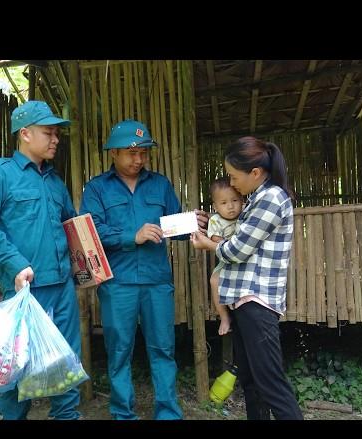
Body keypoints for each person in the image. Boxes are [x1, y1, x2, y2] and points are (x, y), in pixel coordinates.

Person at [80, 119, 209, 420]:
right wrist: (131, 237)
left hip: (156, 281)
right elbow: (91, 231)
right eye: (130, 153)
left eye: (144, 153)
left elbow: (172, 228)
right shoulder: (97, 189)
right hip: (118, 283)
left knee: (163, 349)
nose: (138, 159)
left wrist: (193, 223)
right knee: (119, 351)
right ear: (113, 152)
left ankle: (167, 413)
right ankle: (123, 413)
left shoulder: (160, 184)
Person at [0, 100, 82, 420]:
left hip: (63, 287)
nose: (55, 139)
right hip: (25, 290)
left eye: (57, 133)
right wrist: (16, 263)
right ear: (25, 134)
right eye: (49, 132)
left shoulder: (55, 181)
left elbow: (72, 228)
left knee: (66, 360)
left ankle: (66, 416)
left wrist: (86, 268)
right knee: (18, 365)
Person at [191, 136, 303, 420]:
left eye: (233, 176)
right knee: (251, 380)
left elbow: (237, 249)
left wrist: (209, 245)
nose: (232, 182)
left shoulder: (271, 198)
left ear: (255, 173)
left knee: (270, 382)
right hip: (243, 301)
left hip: (258, 302)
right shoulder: (255, 200)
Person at [207, 177, 244, 336]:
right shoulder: (215, 220)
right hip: (226, 261)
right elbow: (215, 238)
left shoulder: (247, 215)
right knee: (214, 280)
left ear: (242, 200)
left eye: (235, 200)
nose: (230, 206)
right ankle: (224, 317)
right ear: (215, 206)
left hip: (246, 262)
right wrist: (231, 245)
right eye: (223, 203)